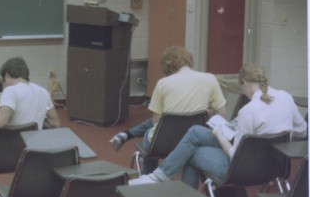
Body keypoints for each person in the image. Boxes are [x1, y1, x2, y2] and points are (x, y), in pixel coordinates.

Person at [130, 63, 308, 187]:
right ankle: (162, 178)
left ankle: (177, 196)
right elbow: (302, 131)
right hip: (275, 166)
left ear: (245, 83)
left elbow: (235, 154)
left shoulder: (249, 110)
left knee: (191, 152)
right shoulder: (286, 97)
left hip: (244, 168)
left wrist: (220, 136)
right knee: (195, 132)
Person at [109, 45, 227, 174]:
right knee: (168, 121)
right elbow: (222, 115)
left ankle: (148, 175)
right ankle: (128, 134)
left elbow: (156, 122)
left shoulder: (162, 84)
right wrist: (206, 113)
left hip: (164, 143)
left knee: (151, 131)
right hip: (193, 142)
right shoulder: (210, 78)